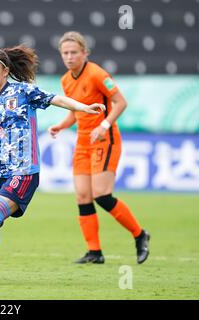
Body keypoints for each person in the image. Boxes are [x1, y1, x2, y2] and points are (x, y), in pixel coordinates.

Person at [0, 45, 105, 285]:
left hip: (24, 172)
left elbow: (55, 99)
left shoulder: (23, 92)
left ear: (5, 71)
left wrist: (83, 107)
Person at [48, 31, 150, 264]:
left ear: (85, 53)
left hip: (105, 139)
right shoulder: (66, 80)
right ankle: (94, 252)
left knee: (102, 195)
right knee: (83, 195)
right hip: (83, 141)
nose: (70, 57)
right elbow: (77, 111)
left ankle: (139, 234)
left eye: (74, 52)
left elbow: (120, 102)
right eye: (65, 53)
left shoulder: (96, 74)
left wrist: (104, 125)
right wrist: (62, 126)